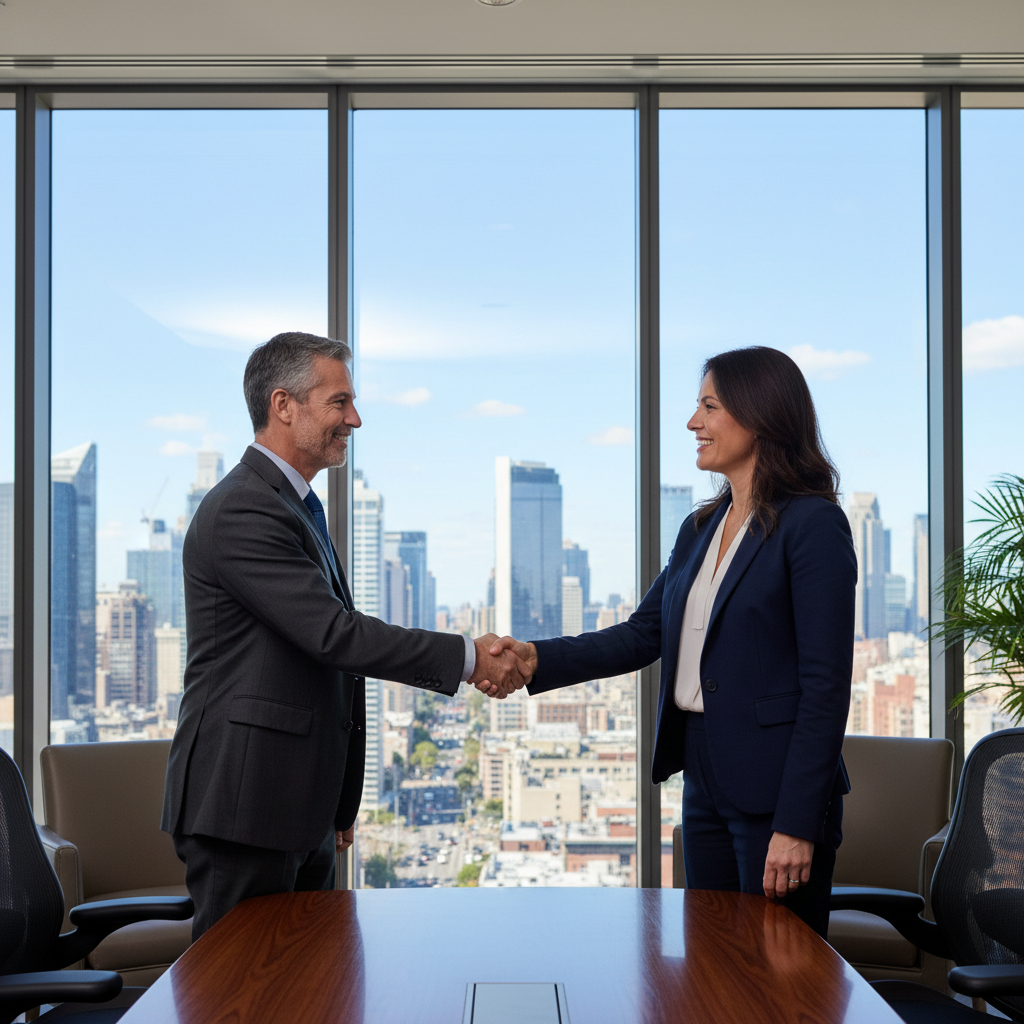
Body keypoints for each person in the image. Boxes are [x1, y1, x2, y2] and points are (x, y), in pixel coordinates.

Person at [162, 331, 528, 939]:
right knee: (239, 996)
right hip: (244, 807)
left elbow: (322, 671)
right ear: (284, 405)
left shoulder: (295, 505)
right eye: (339, 402)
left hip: (293, 806)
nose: (354, 419)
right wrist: (469, 656)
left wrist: (336, 804)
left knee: (307, 988)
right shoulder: (243, 509)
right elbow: (334, 637)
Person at [491, 346, 855, 937]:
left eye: (709, 407)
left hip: (775, 789)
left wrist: (796, 823)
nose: (694, 424)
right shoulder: (700, 527)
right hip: (705, 773)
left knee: (779, 977)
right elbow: (643, 634)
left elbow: (826, 687)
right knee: (713, 961)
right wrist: (536, 659)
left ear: (758, 415)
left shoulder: (813, 526)